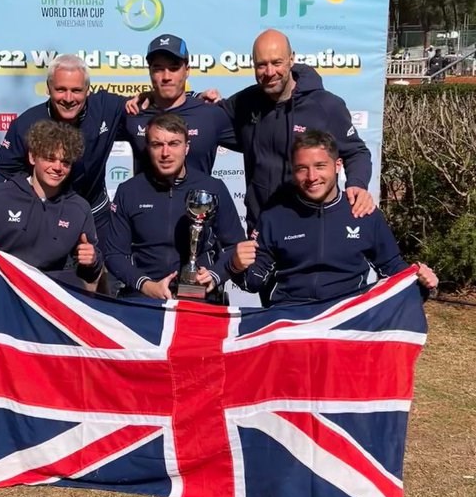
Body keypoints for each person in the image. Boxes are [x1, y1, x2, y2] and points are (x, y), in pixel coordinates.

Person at [233, 129, 438, 305]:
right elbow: (253, 282)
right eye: (302, 169)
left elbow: (393, 270)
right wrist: (235, 265)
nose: (312, 177)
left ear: (338, 165)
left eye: (320, 166)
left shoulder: (363, 212)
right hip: (289, 322)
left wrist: (422, 282)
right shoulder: (274, 216)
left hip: (345, 321)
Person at [0, 120, 103, 340]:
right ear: (33, 158)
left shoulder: (78, 208)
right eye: (50, 158)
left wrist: (92, 260)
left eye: (65, 162)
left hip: (47, 298)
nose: (57, 167)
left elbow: (89, 269)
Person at [0, 54, 128, 250]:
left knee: (99, 275)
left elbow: (151, 115)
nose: (68, 98)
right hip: (47, 217)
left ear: (87, 91)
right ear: (48, 88)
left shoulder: (107, 107)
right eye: (60, 90)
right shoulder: (26, 124)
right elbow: (3, 171)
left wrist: (147, 98)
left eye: (76, 90)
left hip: (96, 215)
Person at [217, 29, 374, 233]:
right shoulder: (245, 102)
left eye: (276, 62)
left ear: (292, 59)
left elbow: (356, 152)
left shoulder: (325, 105)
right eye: (262, 65)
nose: (270, 72)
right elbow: (207, 121)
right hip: (261, 231)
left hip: (313, 229)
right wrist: (199, 97)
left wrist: (358, 184)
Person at [105, 114, 247, 301]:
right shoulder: (128, 191)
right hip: (143, 297)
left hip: (199, 296)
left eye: (174, 144)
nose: (166, 153)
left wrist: (215, 275)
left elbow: (234, 246)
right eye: (157, 145)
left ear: (186, 147)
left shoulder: (213, 187)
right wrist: (146, 285)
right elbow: (114, 254)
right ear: (148, 148)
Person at [124, 33, 238, 174]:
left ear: (187, 71)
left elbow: (259, 142)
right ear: (150, 72)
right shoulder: (134, 111)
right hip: (144, 196)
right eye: (158, 69)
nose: (166, 77)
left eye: (174, 68)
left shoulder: (211, 114)